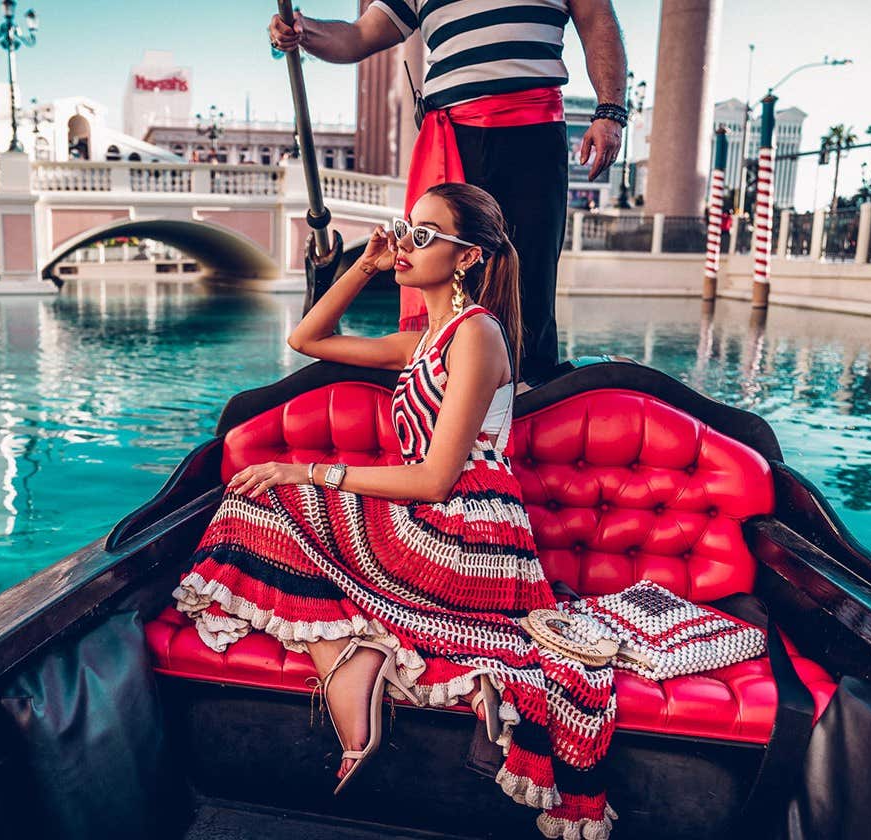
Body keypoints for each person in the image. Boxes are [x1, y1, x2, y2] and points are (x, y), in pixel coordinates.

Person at [175, 184, 617, 838]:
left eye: (426, 235)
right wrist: (366, 263)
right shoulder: (423, 338)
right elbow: (307, 338)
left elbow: (439, 478)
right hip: (430, 523)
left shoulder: (478, 335)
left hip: (467, 533)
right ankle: (354, 666)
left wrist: (309, 471)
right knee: (258, 500)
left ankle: (359, 670)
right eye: (408, 229)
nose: (408, 243)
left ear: (467, 257)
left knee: (274, 498)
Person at [270, 1, 628, 386]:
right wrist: (304, 31)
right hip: (452, 135)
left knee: (529, 278)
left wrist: (611, 111)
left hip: (532, 132)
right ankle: (447, 382)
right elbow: (360, 36)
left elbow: (597, 20)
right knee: (444, 268)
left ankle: (525, 389)